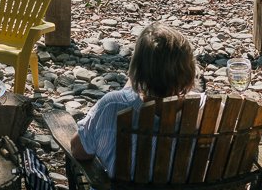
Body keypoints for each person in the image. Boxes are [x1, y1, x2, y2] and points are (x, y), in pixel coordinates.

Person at [71, 23, 197, 176]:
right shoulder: (205, 111)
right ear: (189, 70)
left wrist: (128, 90)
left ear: (137, 67)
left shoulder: (113, 105)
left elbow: (79, 150)